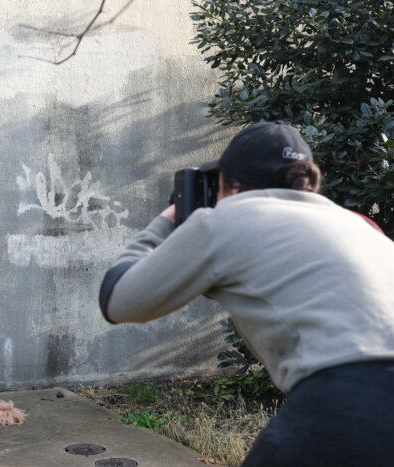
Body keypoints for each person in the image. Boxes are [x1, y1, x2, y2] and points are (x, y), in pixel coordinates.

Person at [99, 121, 394, 466]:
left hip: (354, 398)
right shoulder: (356, 223)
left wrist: (172, 217)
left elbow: (117, 302)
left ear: (231, 185)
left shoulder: (226, 218)